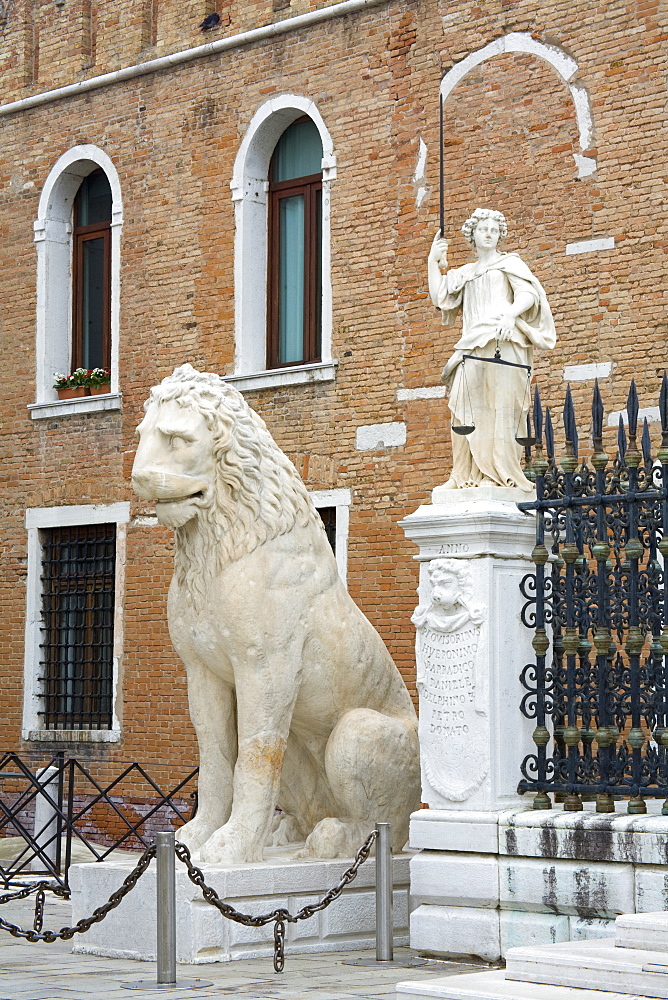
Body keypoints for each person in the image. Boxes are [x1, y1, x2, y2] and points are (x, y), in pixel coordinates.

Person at [428, 208, 556, 491]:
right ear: (472, 235)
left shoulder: (509, 263)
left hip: (503, 340)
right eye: (483, 229)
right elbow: (440, 297)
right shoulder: (464, 273)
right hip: (471, 343)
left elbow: (528, 294)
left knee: (502, 406)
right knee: (461, 405)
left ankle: (503, 474)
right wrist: (432, 261)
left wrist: (511, 314)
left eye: (494, 230)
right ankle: (462, 474)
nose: (489, 234)